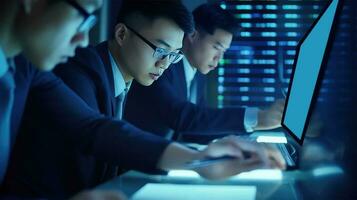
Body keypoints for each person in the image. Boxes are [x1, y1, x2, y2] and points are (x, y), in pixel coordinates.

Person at [0, 0, 285, 199]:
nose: (83, 38)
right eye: (83, 16)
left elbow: (95, 129)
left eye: (173, 55)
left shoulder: (27, 68)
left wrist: (197, 160)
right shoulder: (79, 72)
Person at [124, 3, 285, 142]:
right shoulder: (162, 66)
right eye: (216, 47)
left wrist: (237, 143)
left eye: (224, 51)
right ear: (193, 35)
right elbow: (182, 117)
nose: (219, 58)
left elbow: (196, 132)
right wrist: (256, 118)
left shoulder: (197, 75)